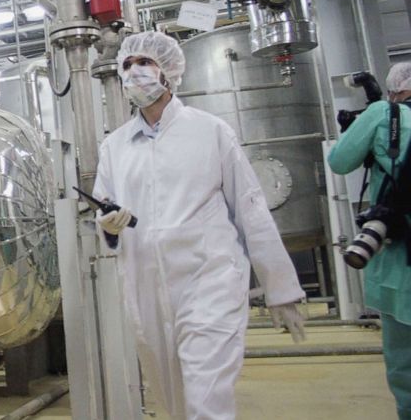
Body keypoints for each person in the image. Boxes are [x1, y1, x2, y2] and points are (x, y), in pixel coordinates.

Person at [92, 30, 305, 420]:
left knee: (206, 399)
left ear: (169, 71)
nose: (135, 72)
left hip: (209, 281)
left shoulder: (210, 131)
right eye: (127, 65)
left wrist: (281, 289)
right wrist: (108, 225)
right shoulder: (115, 147)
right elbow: (104, 209)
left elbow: (251, 210)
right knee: (174, 401)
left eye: (145, 63)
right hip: (147, 288)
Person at [328, 62, 411, 420]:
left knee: (405, 362)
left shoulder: (384, 114)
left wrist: (358, 129)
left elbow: (339, 160)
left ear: (394, 90)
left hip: (399, 258)